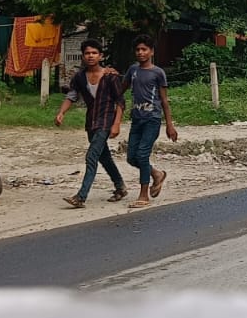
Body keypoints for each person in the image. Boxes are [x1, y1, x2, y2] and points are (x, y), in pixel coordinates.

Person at [54, 39, 126, 208]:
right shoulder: (79, 77)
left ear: (100, 56)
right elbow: (72, 96)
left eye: (94, 53)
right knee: (104, 157)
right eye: (87, 53)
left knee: (91, 156)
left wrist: (116, 124)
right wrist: (61, 112)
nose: (91, 56)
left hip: (105, 122)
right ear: (83, 56)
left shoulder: (110, 77)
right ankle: (120, 187)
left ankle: (81, 197)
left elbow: (120, 102)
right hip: (91, 122)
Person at [123, 36, 177, 209]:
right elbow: (121, 88)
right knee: (132, 157)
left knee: (142, 155)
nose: (140, 52)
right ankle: (157, 174)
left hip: (152, 119)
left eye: (144, 49)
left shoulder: (158, 73)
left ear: (151, 52)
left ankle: (143, 195)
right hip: (136, 119)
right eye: (138, 49)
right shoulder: (133, 70)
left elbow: (164, 100)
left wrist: (169, 125)